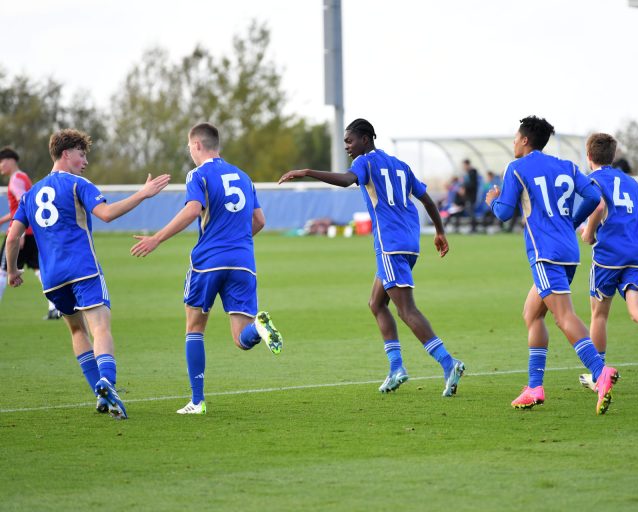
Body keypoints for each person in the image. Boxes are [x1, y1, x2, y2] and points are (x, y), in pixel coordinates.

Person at [278, 118, 465, 397]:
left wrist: (307, 171)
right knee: (376, 303)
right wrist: (439, 231)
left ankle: (449, 363)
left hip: (389, 244)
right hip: (409, 243)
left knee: (406, 309)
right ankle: (396, 368)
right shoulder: (401, 166)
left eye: (349, 141)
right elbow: (426, 200)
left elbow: (346, 181)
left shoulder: (365, 162)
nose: (347, 147)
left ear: (366, 139)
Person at [5, 129, 171, 419]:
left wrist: (12, 271)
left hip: (53, 277)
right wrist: (143, 194)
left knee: (76, 330)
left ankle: (100, 393)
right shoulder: (77, 184)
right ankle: (107, 382)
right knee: (100, 328)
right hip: (83, 269)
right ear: (66, 154)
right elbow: (106, 214)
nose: (84, 162)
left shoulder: (31, 194)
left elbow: (11, 237)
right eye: (81, 155)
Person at [130, 122, 283, 415]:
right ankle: (260, 329)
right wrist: (236, 240)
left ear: (197, 145)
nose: (189, 151)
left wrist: (156, 239)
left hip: (208, 263)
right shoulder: (244, 176)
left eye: (189, 146)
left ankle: (197, 402)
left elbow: (191, 210)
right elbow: (260, 221)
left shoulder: (198, 175)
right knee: (241, 338)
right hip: (243, 263)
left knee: (195, 328)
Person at [485, 115, 619, 415]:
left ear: (523, 140)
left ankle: (600, 372)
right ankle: (534, 387)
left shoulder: (516, 167)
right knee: (532, 313)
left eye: (515, 136)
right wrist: (571, 221)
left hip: (544, 253)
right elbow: (594, 196)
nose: (513, 141)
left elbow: (505, 213)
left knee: (563, 316)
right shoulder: (567, 166)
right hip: (569, 251)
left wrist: (492, 200)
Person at [578, 133, 638, 391]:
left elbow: (597, 208)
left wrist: (587, 233)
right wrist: (628, 230)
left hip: (608, 257)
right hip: (637, 254)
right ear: (613, 155)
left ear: (589, 157)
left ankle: (599, 375)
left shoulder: (593, 180)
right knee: (637, 310)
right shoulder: (630, 181)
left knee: (599, 315)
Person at [0, 147, 61, 319]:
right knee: (39, 268)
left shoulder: (15, 180)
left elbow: (23, 205)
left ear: (11, 160)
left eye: (1, 162)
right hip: (32, 231)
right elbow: (22, 206)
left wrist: (17, 234)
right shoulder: (24, 177)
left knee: (3, 270)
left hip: (19, 231)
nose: (0, 167)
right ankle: (55, 308)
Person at [462, 159, 480, 233]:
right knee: (470, 212)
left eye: (464, 165)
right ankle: (473, 227)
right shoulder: (468, 173)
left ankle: (474, 228)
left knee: (471, 212)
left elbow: (472, 185)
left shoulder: (472, 172)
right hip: (469, 196)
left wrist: (464, 187)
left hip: (471, 196)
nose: (463, 167)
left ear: (467, 165)